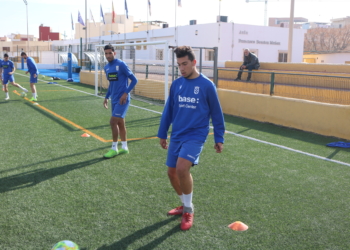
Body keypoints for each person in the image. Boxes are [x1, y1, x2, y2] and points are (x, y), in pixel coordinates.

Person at [157, 46, 225, 231]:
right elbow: (169, 111)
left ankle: (188, 209)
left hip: (196, 135)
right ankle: (183, 203)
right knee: (171, 173)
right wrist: (162, 133)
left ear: (194, 62)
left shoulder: (207, 85)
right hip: (177, 134)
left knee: (181, 168)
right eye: (179, 65)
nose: (182, 68)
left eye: (185, 64)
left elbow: (216, 113)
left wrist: (219, 137)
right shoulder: (177, 84)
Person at [102, 44, 138, 158]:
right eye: (106, 53)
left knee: (113, 122)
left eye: (110, 53)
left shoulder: (121, 64)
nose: (108, 55)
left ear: (114, 53)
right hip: (113, 99)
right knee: (120, 123)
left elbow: (134, 80)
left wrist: (125, 93)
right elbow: (111, 84)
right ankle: (124, 147)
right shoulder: (106, 68)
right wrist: (106, 97)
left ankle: (114, 148)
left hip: (123, 100)